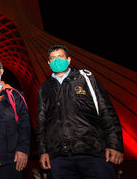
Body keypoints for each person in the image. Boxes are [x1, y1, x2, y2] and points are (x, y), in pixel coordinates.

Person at [36, 44, 123, 179]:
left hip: (91, 150)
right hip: (59, 156)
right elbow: (41, 122)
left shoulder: (84, 78)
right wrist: (43, 152)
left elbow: (106, 110)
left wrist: (115, 145)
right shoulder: (45, 88)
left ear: (69, 59)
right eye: (53, 58)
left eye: (60, 57)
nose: (56, 61)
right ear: (48, 63)